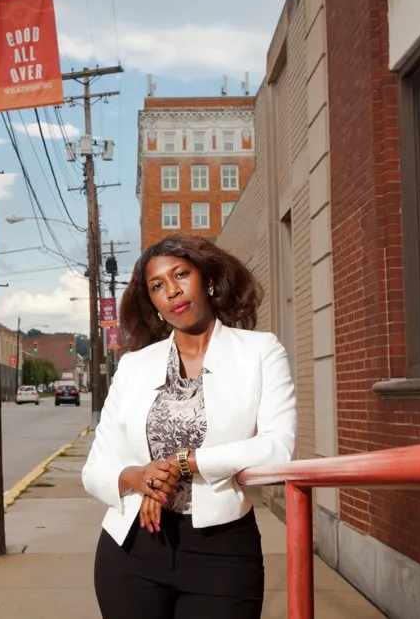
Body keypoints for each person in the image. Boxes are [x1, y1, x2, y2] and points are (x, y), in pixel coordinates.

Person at [82, 234, 297, 619]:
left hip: (222, 550)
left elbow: (278, 448)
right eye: (158, 286)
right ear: (154, 304)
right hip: (131, 548)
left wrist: (186, 462)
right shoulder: (134, 366)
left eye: (181, 274)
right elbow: (95, 470)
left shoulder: (260, 351)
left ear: (207, 280)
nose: (173, 290)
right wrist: (137, 477)